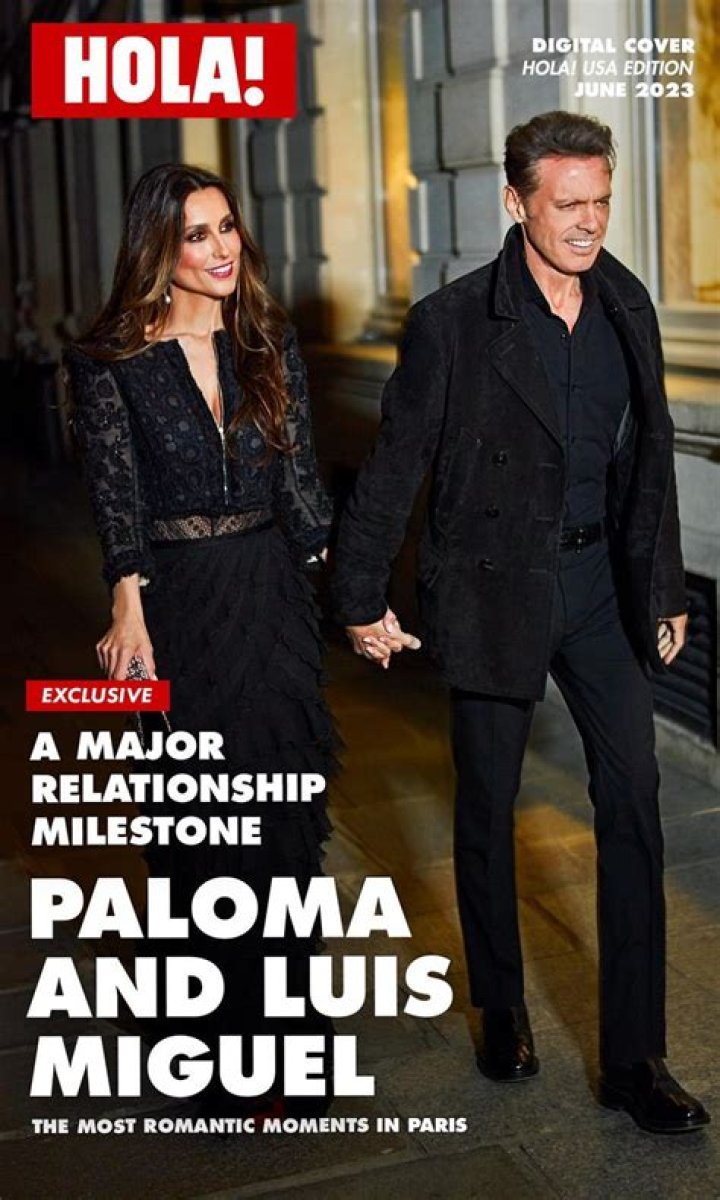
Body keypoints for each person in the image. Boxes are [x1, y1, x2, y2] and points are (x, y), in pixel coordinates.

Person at [332, 111, 710, 1135]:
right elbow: (397, 465)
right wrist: (359, 595)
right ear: (516, 202)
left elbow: (650, 457)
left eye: (601, 202)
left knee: (633, 798)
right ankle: (501, 1006)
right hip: (496, 586)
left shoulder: (626, 300)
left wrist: (664, 589)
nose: (589, 223)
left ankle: (635, 1058)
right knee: (487, 804)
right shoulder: (455, 322)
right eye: (567, 204)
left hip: (597, 587)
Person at [65, 163, 337, 1119]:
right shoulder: (110, 363)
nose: (222, 249)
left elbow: (302, 490)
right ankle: (213, 1048)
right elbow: (117, 502)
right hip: (179, 608)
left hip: (270, 601)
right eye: (197, 234)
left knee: (282, 827)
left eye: (227, 228)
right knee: (202, 838)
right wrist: (126, 609)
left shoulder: (268, 342)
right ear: (159, 248)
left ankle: (286, 1045)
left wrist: (357, 599)